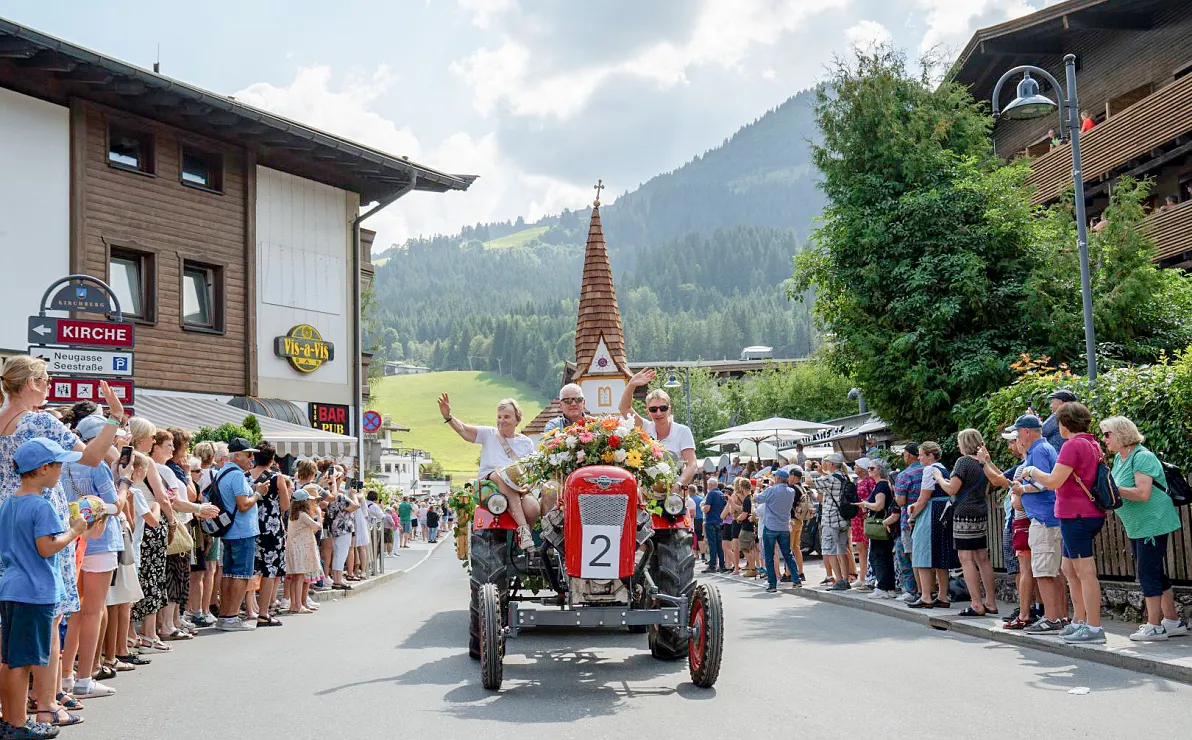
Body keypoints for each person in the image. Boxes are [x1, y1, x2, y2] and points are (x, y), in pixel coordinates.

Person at [0, 438, 90, 737]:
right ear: (42, 469)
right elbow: (47, 547)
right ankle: (17, 724)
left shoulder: (10, 502)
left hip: (12, 586)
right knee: (23, 661)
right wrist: (74, 531)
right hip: (34, 591)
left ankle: (12, 719)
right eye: (57, 465)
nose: (60, 470)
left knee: (13, 659)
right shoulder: (42, 505)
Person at [1019, 402, 1105, 644]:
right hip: (1083, 513)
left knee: (1085, 572)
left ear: (1065, 424)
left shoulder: (1072, 446)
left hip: (1075, 515)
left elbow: (1054, 481)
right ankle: (1078, 621)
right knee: (1069, 569)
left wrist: (1032, 471)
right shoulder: (1091, 443)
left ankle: (1094, 627)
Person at [58, 415, 130, 701]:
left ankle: (65, 676)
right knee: (93, 612)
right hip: (99, 541)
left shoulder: (62, 463)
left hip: (73, 539)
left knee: (75, 612)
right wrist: (124, 481)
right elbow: (116, 505)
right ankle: (85, 678)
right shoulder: (97, 466)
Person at [1100, 416, 1188, 641]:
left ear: (1121, 433)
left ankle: (1154, 626)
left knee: (1147, 572)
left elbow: (1142, 493)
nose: (1104, 439)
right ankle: (1172, 621)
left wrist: (1114, 488)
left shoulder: (1142, 457)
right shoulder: (1121, 458)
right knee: (1155, 571)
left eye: (1107, 434)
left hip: (1153, 522)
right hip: (1138, 525)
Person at [439, 394, 538, 550]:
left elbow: (532, 467)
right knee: (501, 475)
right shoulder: (489, 434)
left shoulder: (525, 442)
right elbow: (464, 429)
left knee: (533, 508)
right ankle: (523, 530)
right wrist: (448, 416)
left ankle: (524, 542)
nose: (501, 420)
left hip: (517, 485)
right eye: (499, 416)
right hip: (491, 483)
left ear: (517, 420)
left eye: (506, 416)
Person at [1006, 414, 1067, 635]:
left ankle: (1051, 619)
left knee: (1043, 571)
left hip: (1044, 519)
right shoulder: (1044, 449)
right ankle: (1059, 616)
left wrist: (1022, 489)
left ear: (1026, 432)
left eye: (1018, 432)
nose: (1017, 437)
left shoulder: (1039, 451)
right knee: (1052, 571)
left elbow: (1044, 482)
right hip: (1048, 517)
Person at [928, 429, 997, 616]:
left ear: (965, 444)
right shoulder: (983, 463)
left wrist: (939, 478)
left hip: (964, 513)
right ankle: (990, 601)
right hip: (980, 511)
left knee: (965, 558)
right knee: (982, 558)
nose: (958, 446)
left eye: (959, 442)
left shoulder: (963, 462)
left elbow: (952, 489)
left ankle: (976, 603)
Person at [976, 431, 1037, 629]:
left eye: (1013, 441)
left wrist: (984, 463)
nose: (1011, 446)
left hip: (1018, 522)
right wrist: (988, 462)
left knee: (1021, 568)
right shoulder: (1022, 466)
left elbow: (997, 481)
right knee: (1024, 568)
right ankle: (1029, 607)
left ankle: (1026, 608)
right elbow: (1001, 477)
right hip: (1020, 522)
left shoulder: (1024, 467)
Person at [214, 438, 263, 632]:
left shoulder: (222, 472)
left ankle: (225, 616)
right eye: (249, 454)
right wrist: (258, 493)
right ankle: (232, 616)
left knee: (228, 574)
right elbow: (243, 505)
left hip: (230, 531)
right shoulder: (236, 475)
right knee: (241, 575)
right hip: (242, 531)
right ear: (237, 456)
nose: (252, 458)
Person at [619, 369, 698, 488]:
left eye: (663, 408)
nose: (659, 412)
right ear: (647, 412)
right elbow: (624, 408)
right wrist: (631, 384)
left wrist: (678, 485)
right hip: (647, 492)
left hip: (674, 494)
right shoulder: (644, 427)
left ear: (669, 409)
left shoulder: (683, 431)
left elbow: (692, 465)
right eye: (653, 409)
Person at [907, 442, 956, 608]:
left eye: (921, 454)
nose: (919, 457)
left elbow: (923, 498)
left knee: (922, 554)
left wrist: (912, 516)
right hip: (944, 511)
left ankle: (926, 596)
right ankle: (943, 596)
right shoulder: (943, 469)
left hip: (931, 512)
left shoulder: (929, 470)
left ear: (930, 455)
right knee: (941, 555)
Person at [249, 442, 289, 627]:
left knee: (248, 569)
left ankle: (248, 609)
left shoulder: (245, 476)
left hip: (249, 526)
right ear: (273, 459)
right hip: (271, 528)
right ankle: (263, 612)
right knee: (269, 571)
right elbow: (285, 505)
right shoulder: (277, 478)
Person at [753, 469, 802, 592]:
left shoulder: (771, 490)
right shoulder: (791, 491)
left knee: (769, 556)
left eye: (775, 477)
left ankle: (772, 584)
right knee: (788, 554)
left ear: (778, 478)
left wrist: (757, 489)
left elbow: (757, 499)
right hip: (784, 526)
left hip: (771, 526)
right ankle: (796, 579)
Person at [811, 453, 852, 591]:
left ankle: (839, 580)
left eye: (827, 462)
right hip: (843, 519)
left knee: (829, 550)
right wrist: (822, 471)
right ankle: (846, 579)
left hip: (831, 519)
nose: (825, 464)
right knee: (842, 550)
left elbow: (810, 481)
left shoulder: (831, 479)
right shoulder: (844, 476)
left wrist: (807, 468)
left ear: (832, 464)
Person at [859, 461, 898, 599]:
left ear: (879, 470)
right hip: (884, 524)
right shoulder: (884, 484)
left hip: (880, 525)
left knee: (878, 556)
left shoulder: (881, 485)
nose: (869, 470)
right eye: (868, 467)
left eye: (872, 468)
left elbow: (879, 506)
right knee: (884, 556)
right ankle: (889, 588)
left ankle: (883, 587)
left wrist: (866, 504)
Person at [284, 487, 322, 616]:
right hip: (301, 549)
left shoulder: (292, 515)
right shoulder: (303, 515)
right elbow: (317, 527)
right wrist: (320, 515)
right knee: (299, 578)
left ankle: (294, 604)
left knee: (295, 578)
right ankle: (298, 605)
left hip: (294, 548)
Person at [892, 444, 922, 603]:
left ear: (910, 455)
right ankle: (930, 591)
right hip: (929, 518)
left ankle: (915, 591)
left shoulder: (904, 475)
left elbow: (901, 501)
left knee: (911, 556)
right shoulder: (931, 470)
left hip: (909, 519)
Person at [850, 458, 873, 591]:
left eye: (856, 465)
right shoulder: (859, 482)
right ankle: (863, 577)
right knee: (860, 548)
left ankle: (868, 577)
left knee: (867, 548)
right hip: (857, 519)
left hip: (865, 518)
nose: (854, 467)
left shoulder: (869, 482)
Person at [701, 479, 726, 573]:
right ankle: (722, 565)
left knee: (712, 544)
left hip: (711, 520)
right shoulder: (721, 494)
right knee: (719, 544)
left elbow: (707, 508)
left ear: (711, 485)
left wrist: (702, 508)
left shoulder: (711, 494)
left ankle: (712, 565)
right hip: (719, 520)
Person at [690, 484, 706, 563]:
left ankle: (696, 554)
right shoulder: (701, 498)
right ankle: (703, 555)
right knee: (700, 537)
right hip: (700, 519)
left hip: (692, 520)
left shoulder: (689, 499)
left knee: (693, 537)